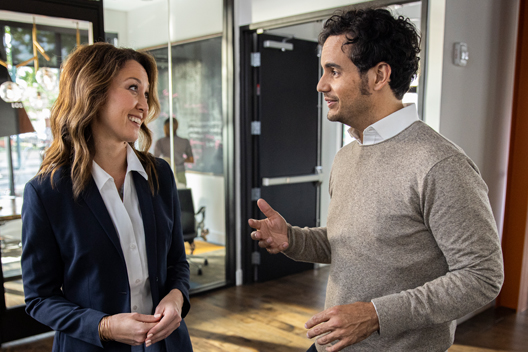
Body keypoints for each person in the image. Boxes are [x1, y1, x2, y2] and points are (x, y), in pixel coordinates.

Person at [249, 8, 504, 352]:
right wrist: (292, 239)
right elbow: (352, 244)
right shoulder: (347, 156)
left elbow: (482, 277)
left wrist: (375, 315)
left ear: (379, 75)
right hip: (332, 344)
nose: (321, 84)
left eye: (334, 71)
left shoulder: (440, 165)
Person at [21, 43, 193, 352]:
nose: (145, 104)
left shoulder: (160, 175)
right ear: (93, 93)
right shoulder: (46, 192)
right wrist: (105, 327)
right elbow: (39, 298)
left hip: (168, 345)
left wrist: (176, 298)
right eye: (133, 89)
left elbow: (177, 262)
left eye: (146, 93)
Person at [153, 118, 194, 187]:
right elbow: (191, 159)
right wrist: (180, 159)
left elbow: (155, 160)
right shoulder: (184, 141)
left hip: (167, 172)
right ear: (176, 126)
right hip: (179, 172)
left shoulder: (160, 142)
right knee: (181, 195)